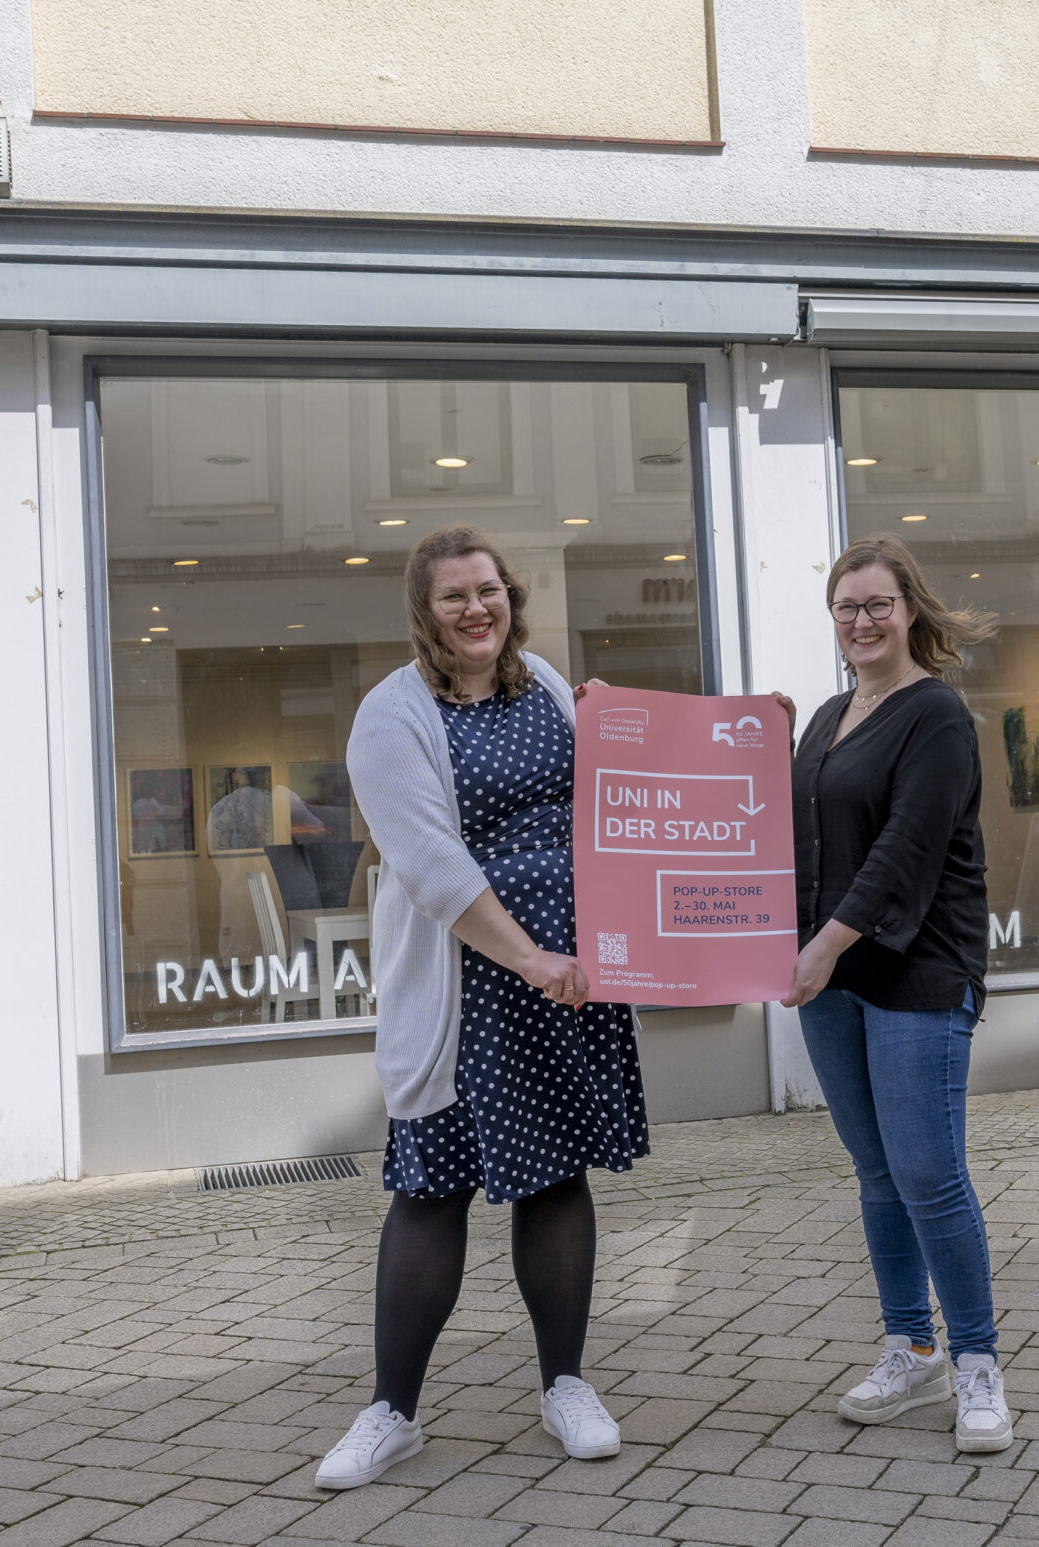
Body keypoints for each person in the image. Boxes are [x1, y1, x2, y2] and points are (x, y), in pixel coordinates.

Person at [314, 525, 649, 1490]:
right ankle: (392, 1411)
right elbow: (428, 865)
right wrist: (527, 956)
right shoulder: (391, 714)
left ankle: (565, 1385)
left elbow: (628, 798)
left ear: (512, 597)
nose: (476, 609)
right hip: (475, 980)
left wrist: (746, 741)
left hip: (564, 980)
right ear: (424, 611)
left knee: (555, 1178)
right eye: (454, 595)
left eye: (489, 590)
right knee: (431, 1187)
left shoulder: (545, 683)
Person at [781, 533, 1010, 1454]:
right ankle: (910, 1348)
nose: (864, 620)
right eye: (847, 606)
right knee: (878, 1174)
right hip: (833, 975)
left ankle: (979, 1365)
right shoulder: (828, 714)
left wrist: (822, 948)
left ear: (910, 607)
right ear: (832, 620)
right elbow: (782, 832)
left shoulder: (937, 716)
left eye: (878, 603)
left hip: (915, 970)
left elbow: (903, 854)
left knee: (928, 1173)